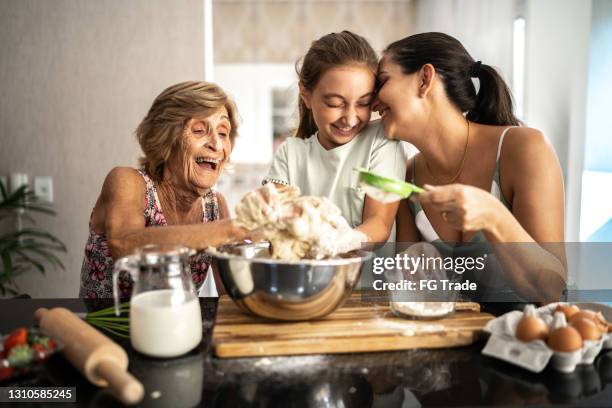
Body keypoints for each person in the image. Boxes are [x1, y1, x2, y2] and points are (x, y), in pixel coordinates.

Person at [375, 32, 566, 304]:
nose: (373, 102)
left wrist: (493, 215)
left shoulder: (525, 149)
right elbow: (412, 296)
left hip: (529, 341)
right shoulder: (407, 176)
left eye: (383, 81)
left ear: (424, 79)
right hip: (457, 341)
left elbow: (551, 290)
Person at [79, 81, 252, 299]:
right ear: (166, 138)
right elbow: (123, 244)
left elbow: (232, 293)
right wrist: (231, 229)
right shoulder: (127, 181)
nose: (217, 145)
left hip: (177, 329)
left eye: (223, 133)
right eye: (199, 130)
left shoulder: (216, 206)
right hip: (104, 329)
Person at [263, 31, 407, 252]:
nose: (350, 118)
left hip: (369, 286)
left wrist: (346, 240)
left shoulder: (382, 141)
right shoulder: (290, 154)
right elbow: (277, 224)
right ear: (306, 95)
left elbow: (380, 223)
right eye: (334, 103)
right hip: (308, 284)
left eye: (363, 103)